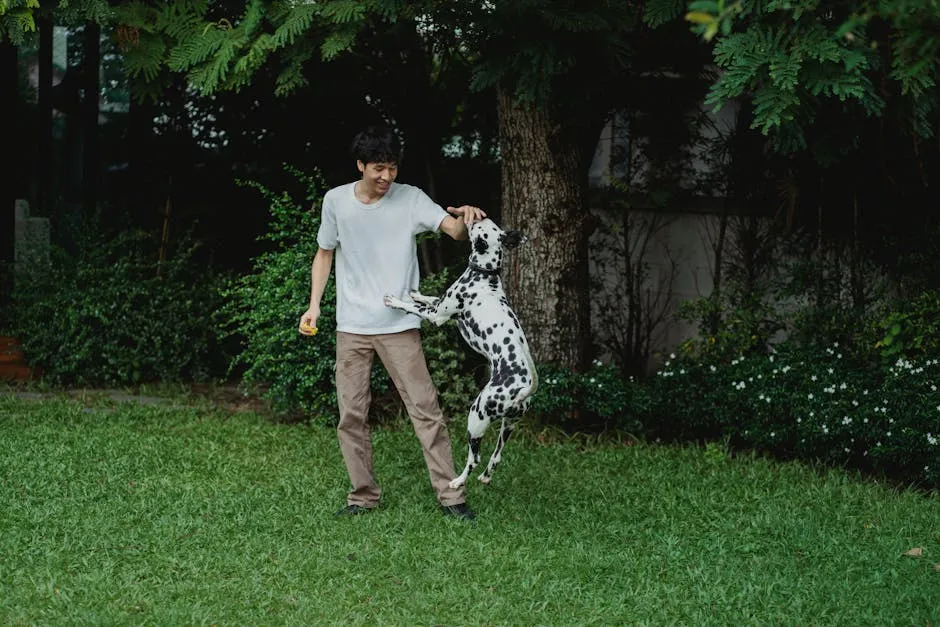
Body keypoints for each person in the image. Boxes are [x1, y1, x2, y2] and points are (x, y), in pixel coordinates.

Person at [299, 125, 485, 521]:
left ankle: (451, 497)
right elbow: (324, 253)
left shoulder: (411, 199)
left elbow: (451, 230)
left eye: (393, 169)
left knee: (425, 409)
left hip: (399, 325)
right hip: (352, 327)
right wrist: (314, 305)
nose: (387, 177)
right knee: (352, 415)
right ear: (361, 165)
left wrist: (467, 219)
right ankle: (362, 496)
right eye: (378, 168)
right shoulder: (336, 202)